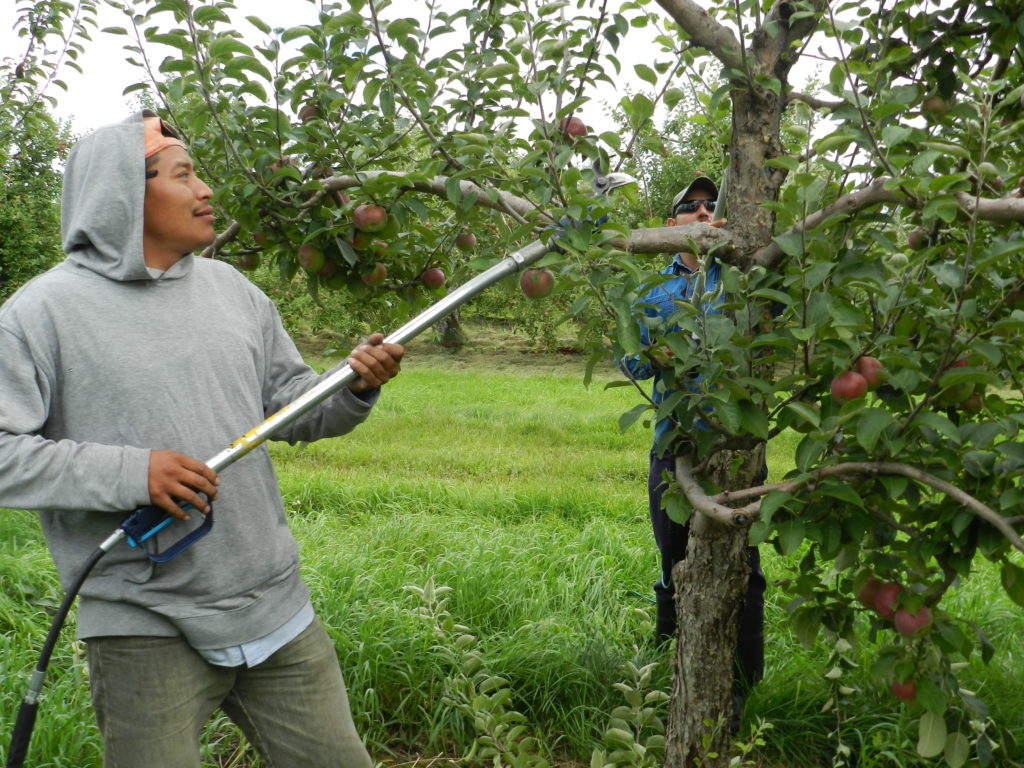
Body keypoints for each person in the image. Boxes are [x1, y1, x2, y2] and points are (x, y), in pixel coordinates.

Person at [0, 111, 404, 767]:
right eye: (184, 174)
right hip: (142, 621)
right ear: (123, 194)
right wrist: (134, 474)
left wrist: (351, 386)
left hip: (273, 607)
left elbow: (294, 410)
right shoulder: (41, 315)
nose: (206, 190)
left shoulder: (233, 292)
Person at [619, 175, 765, 722]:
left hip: (737, 446)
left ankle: (744, 684)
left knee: (743, 560)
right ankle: (669, 667)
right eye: (689, 208)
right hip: (674, 441)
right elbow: (630, 362)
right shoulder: (650, 293)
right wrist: (663, 350)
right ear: (668, 226)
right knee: (673, 555)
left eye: (711, 207)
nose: (704, 214)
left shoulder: (744, 279)